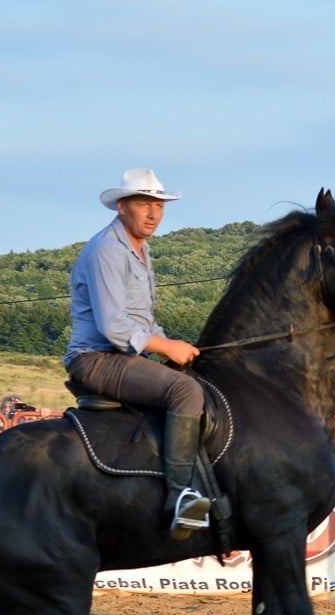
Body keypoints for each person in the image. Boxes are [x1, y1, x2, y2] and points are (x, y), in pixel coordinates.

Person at [64, 167, 210, 539]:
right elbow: (114, 326)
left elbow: (142, 321)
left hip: (124, 356)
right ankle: (180, 497)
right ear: (122, 206)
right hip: (95, 358)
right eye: (145, 204)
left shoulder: (140, 251)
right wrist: (166, 347)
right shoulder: (108, 250)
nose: (153, 213)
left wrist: (177, 349)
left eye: (159, 205)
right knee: (186, 391)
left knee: (194, 377)